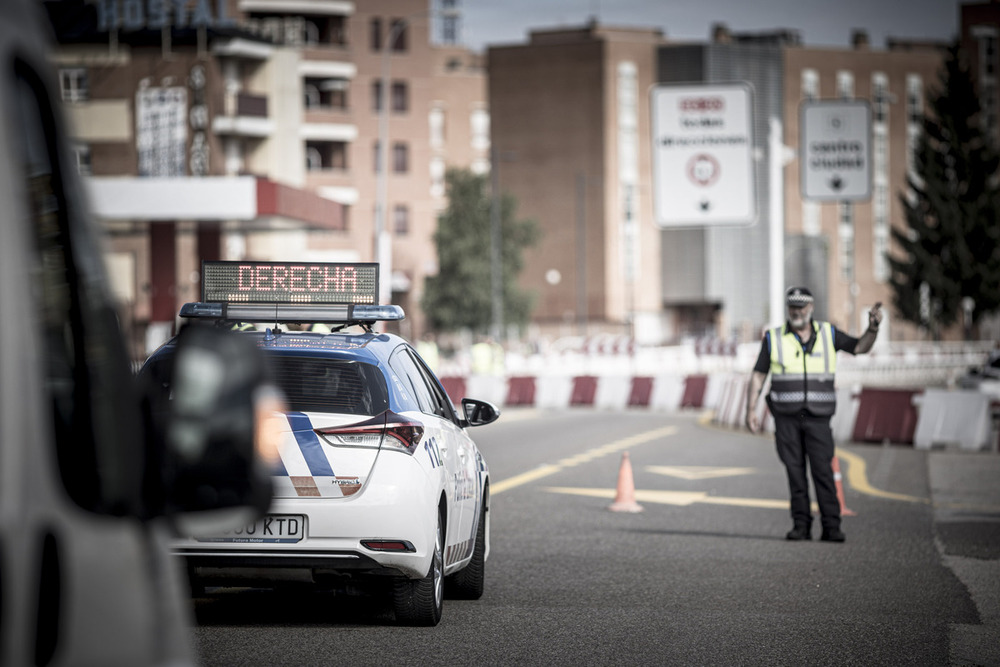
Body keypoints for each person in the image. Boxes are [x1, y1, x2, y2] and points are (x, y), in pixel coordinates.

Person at [745, 287, 882, 543]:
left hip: (818, 418)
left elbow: (859, 347)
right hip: (786, 417)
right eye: (792, 307)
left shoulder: (828, 333)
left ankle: (832, 526)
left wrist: (872, 328)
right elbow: (759, 374)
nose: (797, 311)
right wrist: (750, 409)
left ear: (811, 308)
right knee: (795, 473)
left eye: (802, 306)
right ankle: (801, 526)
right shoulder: (773, 338)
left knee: (823, 473)